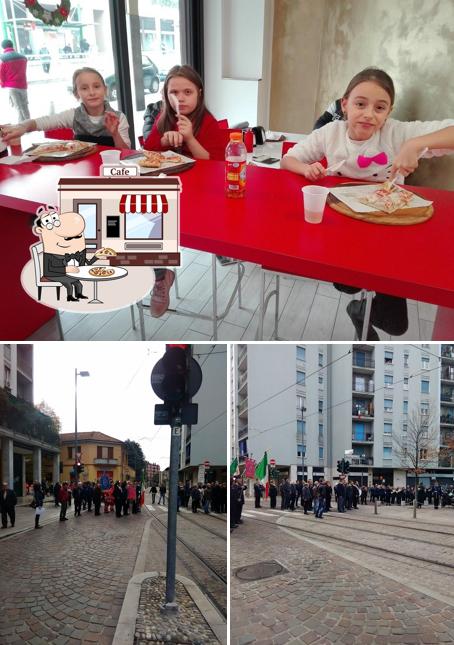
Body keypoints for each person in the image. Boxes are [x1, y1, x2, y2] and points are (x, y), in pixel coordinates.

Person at [281, 67, 454, 340]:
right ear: (345, 104)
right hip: (340, 231)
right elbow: (288, 159)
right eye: (360, 104)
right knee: (346, 284)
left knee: (397, 326)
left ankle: (361, 312)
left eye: (380, 108)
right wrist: (306, 168)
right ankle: (359, 304)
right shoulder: (330, 133)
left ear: (389, 111)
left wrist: (415, 145)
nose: (369, 114)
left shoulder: (398, 134)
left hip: (387, 234)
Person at [144, 64, 225, 319]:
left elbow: (216, 164)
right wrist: (164, 142)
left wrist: (190, 138)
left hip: (205, 197)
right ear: (166, 95)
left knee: (161, 222)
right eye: (174, 92)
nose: (180, 98)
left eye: (187, 92)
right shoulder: (163, 119)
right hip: (172, 193)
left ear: (199, 93)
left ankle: (161, 273)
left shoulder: (209, 122)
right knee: (145, 220)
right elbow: (148, 154)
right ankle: (161, 275)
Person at [1, 66, 130, 149]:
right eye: (84, 88)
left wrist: (115, 134)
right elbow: (42, 122)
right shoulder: (74, 115)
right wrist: (23, 127)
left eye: (96, 86)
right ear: (76, 94)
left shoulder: (118, 117)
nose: (92, 92)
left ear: (105, 90)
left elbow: (126, 153)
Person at [0, 39, 30, 122]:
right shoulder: (23, 57)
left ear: (3, 47)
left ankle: (21, 125)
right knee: (25, 105)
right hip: (23, 85)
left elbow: (1, 74)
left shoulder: (2, 58)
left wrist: (2, 84)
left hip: (11, 86)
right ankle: (29, 124)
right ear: (12, 45)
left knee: (18, 106)